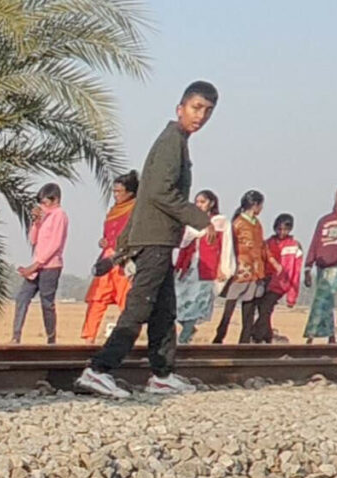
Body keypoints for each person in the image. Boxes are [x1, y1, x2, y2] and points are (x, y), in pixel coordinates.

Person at [78, 83, 217, 399]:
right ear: (180, 107)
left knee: (164, 310)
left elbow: (144, 198)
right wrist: (199, 218)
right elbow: (157, 194)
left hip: (159, 239)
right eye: (197, 108)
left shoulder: (177, 141)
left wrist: (123, 246)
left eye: (208, 111)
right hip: (155, 240)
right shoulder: (171, 143)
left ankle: (162, 374)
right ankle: (99, 370)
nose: (201, 116)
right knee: (140, 307)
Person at [80, 172, 138, 344]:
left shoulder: (136, 210)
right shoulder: (113, 211)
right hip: (107, 260)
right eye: (114, 191)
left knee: (126, 301)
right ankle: (89, 337)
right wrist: (103, 241)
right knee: (97, 298)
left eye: (119, 192)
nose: (115, 195)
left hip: (124, 260)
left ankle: (125, 339)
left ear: (130, 193)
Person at [301, 184, 337, 344]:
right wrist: (308, 267)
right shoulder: (325, 220)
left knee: (324, 296)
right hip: (322, 264)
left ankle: (311, 335)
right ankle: (330, 337)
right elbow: (315, 243)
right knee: (326, 299)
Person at [12, 183, 68, 344]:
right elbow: (33, 240)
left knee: (47, 303)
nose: (43, 206)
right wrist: (36, 223)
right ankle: (16, 335)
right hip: (37, 266)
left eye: (45, 202)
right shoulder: (45, 217)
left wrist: (36, 265)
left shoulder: (59, 215)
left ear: (55, 199)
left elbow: (55, 245)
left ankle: (51, 338)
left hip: (50, 267)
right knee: (22, 298)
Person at [213, 192, 268, 344]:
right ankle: (219, 336)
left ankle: (244, 341)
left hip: (255, 271)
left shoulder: (256, 223)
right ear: (255, 205)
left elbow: (261, 246)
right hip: (240, 270)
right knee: (229, 308)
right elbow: (229, 247)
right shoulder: (238, 223)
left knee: (249, 308)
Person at [174, 191, 224, 345]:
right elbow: (183, 244)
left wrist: (222, 268)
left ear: (211, 203)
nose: (199, 205)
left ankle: (185, 334)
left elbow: (224, 246)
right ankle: (187, 328)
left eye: (203, 202)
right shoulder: (190, 223)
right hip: (189, 265)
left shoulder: (218, 222)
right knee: (179, 301)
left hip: (207, 268)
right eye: (197, 202)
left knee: (198, 302)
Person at [266, 214, 304, 339]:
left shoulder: (294, 246)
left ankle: (260, 336)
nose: (282, 232)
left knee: (265, 309)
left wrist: (291, 297)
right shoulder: (267, 244)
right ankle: (264, 337)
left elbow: (296, 273)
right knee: (265, 311)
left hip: (280, 285)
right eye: (279, 229)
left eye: (285, 230)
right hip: (265, 282)